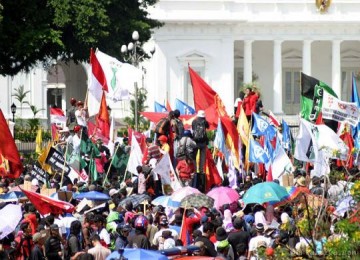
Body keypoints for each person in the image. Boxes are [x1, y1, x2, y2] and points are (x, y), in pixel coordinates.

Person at [191, 110, 209, 186]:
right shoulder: (205, 122)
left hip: (195, 141)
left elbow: (193, 129)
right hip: (203, 142)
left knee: (194, 157)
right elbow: (208, 127)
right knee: (202, 156)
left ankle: (195, 170)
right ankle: (201, 170)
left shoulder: (194, 121)